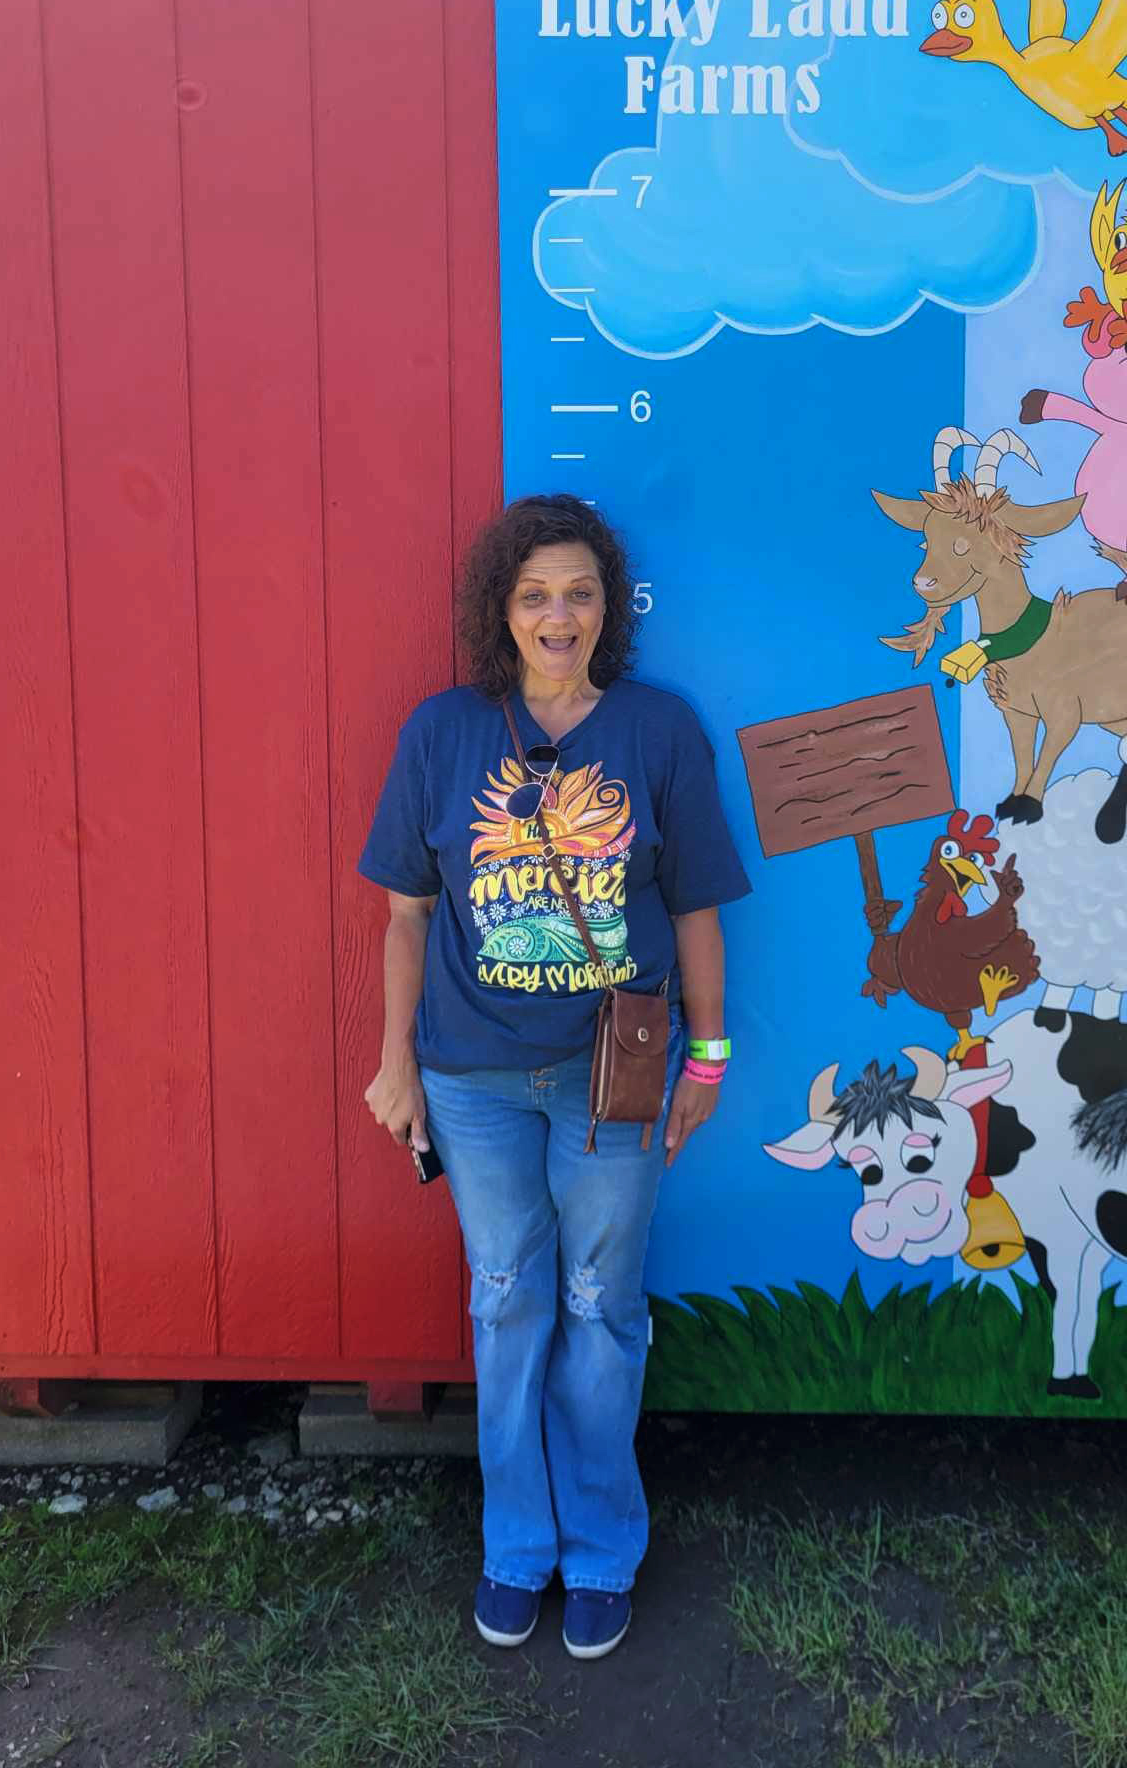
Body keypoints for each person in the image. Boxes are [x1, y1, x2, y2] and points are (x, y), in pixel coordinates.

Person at [358, 494, 750, 1661]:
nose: (558, 616)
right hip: (471, 1081)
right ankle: (517, 1546)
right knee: (506, 1299)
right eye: (535, 595)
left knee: (599, 1306)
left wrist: (709, 1057)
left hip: (610, 1077)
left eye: (580, 593)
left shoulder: (657, 732)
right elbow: (404, 915)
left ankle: (603, 1548)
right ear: (502, 609)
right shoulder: (441, 735)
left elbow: (697, 908)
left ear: (608, 608)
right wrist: (394, 1065)